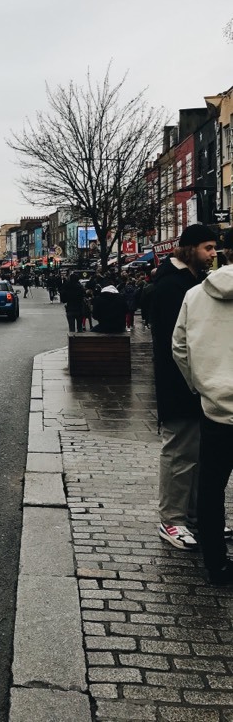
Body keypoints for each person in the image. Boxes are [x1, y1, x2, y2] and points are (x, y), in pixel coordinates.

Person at [151, 223, 218, 550]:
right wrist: (193, 381)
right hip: (179, 386)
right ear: (190, 249)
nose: (213, 253)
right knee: (179, 454)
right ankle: (172, 521)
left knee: (197, 456)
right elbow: (175, 345)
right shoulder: (172, 287)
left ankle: (191, 519)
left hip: (196, 384)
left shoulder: (189, 282)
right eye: (207, 247)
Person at [172, 228, 233, 584]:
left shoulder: (195, 295)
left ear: (225, 253)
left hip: (215, 410)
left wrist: (200, 386)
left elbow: (179, 347)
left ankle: (216, 564)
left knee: (210, 491)